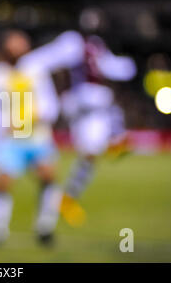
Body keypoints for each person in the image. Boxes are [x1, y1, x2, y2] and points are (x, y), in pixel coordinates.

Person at [0, 30, 66, 246]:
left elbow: (50, 104)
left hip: (37, 136)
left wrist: (38, 118)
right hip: (9, 139)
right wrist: (0, 127)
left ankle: (45, 227)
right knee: (3, 182)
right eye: (13, 46)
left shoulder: (36, 72)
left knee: (48, 177)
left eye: (21, 45)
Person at [55, 31, 137, 226]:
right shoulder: (72, 43)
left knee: (90, 156)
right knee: (105, 105)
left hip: (84, 104)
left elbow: (114, 67)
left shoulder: (96, 46)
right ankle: (116, 141)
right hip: (80, 103)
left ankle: (116, 140)